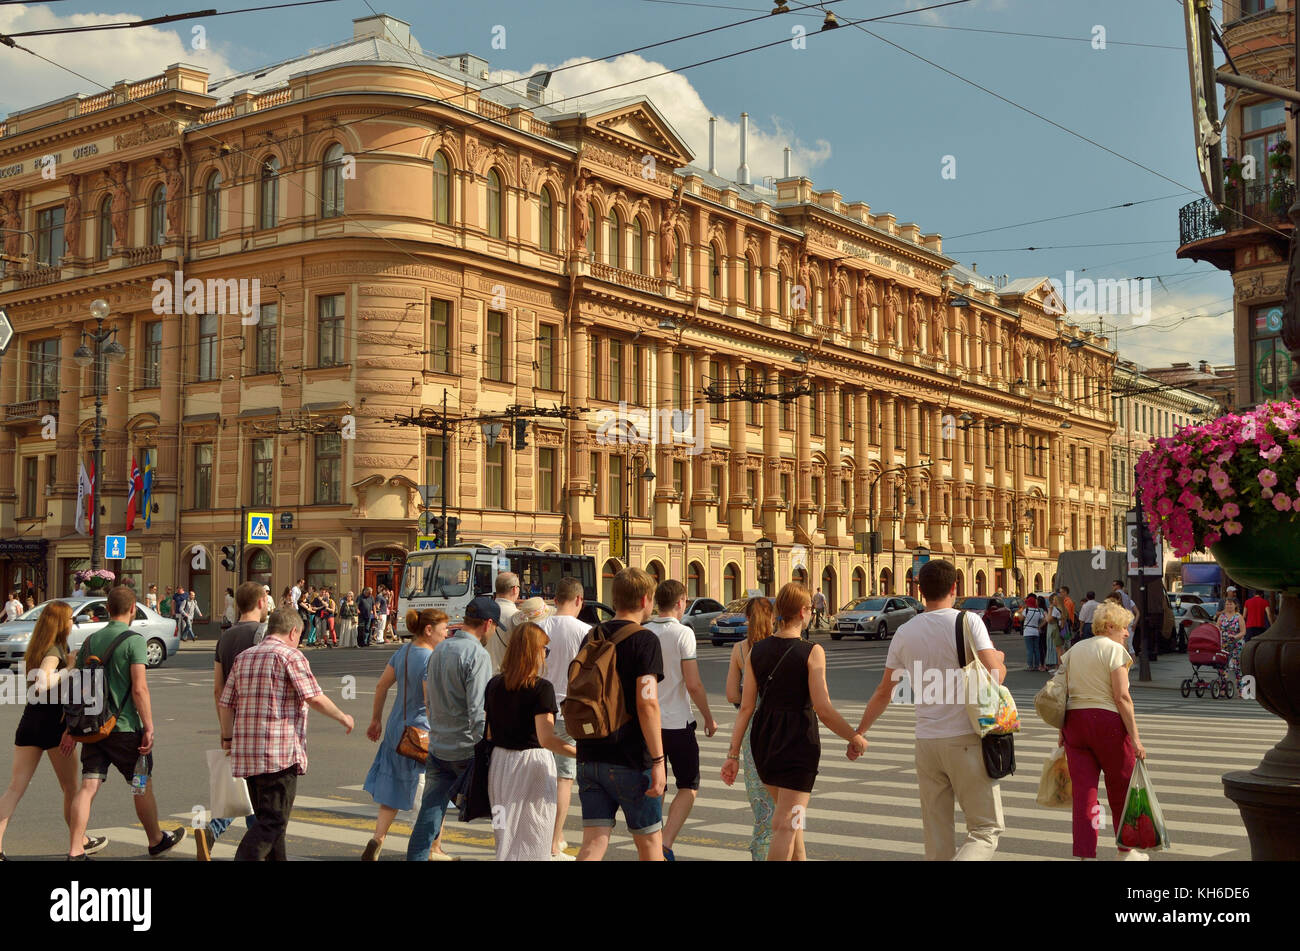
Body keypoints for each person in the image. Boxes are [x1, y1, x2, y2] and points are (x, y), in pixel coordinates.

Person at [856, 559, 1007, 861]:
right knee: (984, 830)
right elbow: (995, 676)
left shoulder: (904, 632)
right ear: (954, 587)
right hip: (966, 737)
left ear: (920, 590)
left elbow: (885, 691)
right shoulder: (967, 621)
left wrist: (860, 732)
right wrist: (999, 659)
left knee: (937, 835)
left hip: (926, 742)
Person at [723, 582, 865, 861]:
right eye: (811, 609)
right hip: (797, 744)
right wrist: (854, 737)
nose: (812, 613)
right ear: (803, 611)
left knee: (791, 819)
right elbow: (823, 709)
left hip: (764, 743)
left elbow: (745, 708)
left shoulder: (756, 651)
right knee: (787, 823)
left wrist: (733, 754)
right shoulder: (812, 652)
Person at [219, 608, 354, 860]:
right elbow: (313, 697)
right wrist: (342, 716)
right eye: (299, 636)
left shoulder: (244, 657)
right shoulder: (291, 656)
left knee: (268, 821)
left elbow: (226, 703)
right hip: (278, 754)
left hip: (247, 754)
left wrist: (228, 738)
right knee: (273, 822)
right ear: (293, 631)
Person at [65, 585, 186, 860]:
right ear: (133, 609)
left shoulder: (90, 641)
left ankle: (74, 849)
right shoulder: (135, 641)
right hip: (126, 729)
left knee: (88, 786)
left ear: (107, 609)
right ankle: (156, 840)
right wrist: (149, 726)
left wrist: (70, 728)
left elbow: (80, 686)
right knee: (140, 784)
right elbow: (139, 689)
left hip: (94, 729)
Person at [0, 601, 109, 859]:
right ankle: (79, 840)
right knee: (71, 788)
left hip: (30, 722)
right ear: (61, 623)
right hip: (53, 724)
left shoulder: (38, 647)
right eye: (71, 619)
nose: (73, 623)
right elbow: (42, 683)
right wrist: (70, 667)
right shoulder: (55, 650)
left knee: (14, 789)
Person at [572, 567, 665, 861]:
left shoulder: (592, 635)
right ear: (645, 599)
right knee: (650, 846)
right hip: (631, 759)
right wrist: (659, 761)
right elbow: (647, 702)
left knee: (592, 845)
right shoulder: (645, 640)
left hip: (590, 754)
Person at [406, 595, 496, 860]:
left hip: (439, 746)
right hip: (465, 749)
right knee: (500, 812)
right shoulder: (477, 654)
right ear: (488, 624)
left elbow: (430, 699)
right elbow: (477, 710)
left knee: (429, 814)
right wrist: (485, 748)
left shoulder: (441, 649)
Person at [1059, 600, 1148, 861]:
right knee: (1121, 790)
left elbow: (1062, 692)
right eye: (1124, 628)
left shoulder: (1074, 650)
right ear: (1110, 626)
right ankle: (1125, 851)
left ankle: (1086, 854)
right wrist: (1136, 739)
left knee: (1085, 795)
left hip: (1074, 723)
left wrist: (1060, 731)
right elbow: (1122, 697)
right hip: (1107, 722)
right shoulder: (1115, 651)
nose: (1127, 633)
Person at [485, 620, 577, 861]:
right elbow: (546, 738)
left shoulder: (494, 684)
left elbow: (489, 734)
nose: (545, 655)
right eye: (544, 650)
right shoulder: (541, 688)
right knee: (537, 831)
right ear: (533, 652)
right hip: (532, 765)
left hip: (500, 765)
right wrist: (582, 753)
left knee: (503, 829)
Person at [362, 608, 447, 860]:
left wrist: (376, 720)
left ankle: (377, 839)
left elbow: (381, 685)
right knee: (433, 791)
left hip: (396, 729)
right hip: (420, 734)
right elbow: (429, 701)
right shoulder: (430, 659)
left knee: (392, 787)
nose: (446, 635)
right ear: (429, 630)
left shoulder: (403, 651)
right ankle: (434, 848)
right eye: (444, 631)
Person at [196, 581, 271, 861]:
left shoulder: (224, 637)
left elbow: (218, 688)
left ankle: (214, 832)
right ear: (262, 602)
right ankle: (256, 848)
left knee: (245, 787)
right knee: (258, 791)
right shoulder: (263, 634)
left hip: (233, 720)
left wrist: (225, 728)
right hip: (258, 720)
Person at [645, 579, 717, 861]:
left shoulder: (644, 631)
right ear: (679, 602)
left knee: (656, 783)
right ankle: (664, 844)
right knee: (688, 784)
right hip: (677, 723)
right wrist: (709, 718)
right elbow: (694, 684)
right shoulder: (683, 633)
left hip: (648, 725)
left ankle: (652, 841)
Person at [539, 577, 590, 860]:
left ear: (555, 599)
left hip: (540, 711)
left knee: (541, 776)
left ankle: (543, 835)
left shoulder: (539, 627)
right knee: (564, 779)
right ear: (579, 600)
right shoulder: (586, 631)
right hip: (571, 710)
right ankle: (554, 840)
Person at [724, 596, 777, 861]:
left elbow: (732, 694)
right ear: (772, 618)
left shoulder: (741, 650)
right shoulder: (778, 647)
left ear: (747, 619)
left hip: (751, 729)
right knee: (785, 803)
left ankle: (761, 852)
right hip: (779, 728)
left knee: (761, 803)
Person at [489, 572, 521, 671]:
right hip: (506, 677)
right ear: (515, 589)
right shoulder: (517, 616)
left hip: (485, 675)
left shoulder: (484, 611)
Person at [1215, 598, 1246, 697]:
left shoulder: (1239, 617)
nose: (1228, 606)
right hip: (1224, 644)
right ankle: (1223, 689)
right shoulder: (1221, 616)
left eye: (1230, 604)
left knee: (1238, 667)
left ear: (1235, 605)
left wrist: (1235, 637)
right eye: (1227, 604)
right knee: (1222, 666)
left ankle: (1241, 690)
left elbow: (1243, 632)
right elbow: (1217, 628)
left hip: (1236, 644)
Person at [1022, 594, 1047, 672]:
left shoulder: (1026, 610)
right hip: (1036, 631)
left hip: (1027, 631)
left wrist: (1022, 609)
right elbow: (1044, 620)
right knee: (1036, 649)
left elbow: (1020, 618)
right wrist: (1039, 626)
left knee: (1030, 649)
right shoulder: (1038, 610)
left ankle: (1030, 666)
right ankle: (1037, 665)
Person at [1044, 594, 1063, 672]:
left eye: (1054, 600)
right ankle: (1057, 666)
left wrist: (1046, 613)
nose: (1052, 602)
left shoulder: (1054, 609)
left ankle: (1058, 666)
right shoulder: (1061, 608)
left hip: (1054, 628)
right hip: (1057, 628)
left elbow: (1049, 620)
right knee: (1058, 648)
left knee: (1056, 647)